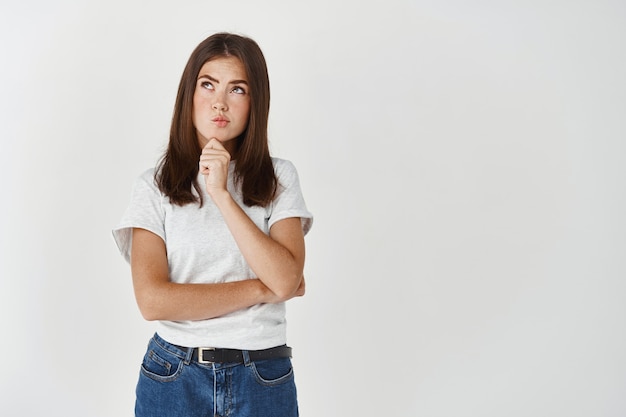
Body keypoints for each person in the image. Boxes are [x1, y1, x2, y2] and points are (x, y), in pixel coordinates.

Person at [112, 32, 313, 417]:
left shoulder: (279, 178)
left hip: (263, 375)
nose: (220, 102)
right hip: (174, 375)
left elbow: (285, 281)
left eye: (238, 89)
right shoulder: (153, 186)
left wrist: (221, 193)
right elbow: (152, 300)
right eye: (208, 85)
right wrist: (260, 287)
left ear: (256, 102)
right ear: (189, 94)